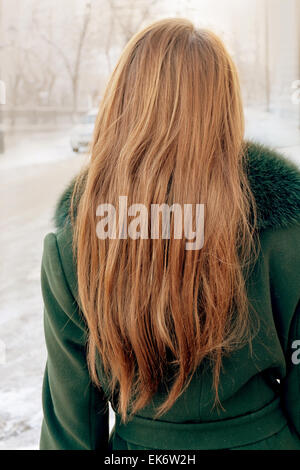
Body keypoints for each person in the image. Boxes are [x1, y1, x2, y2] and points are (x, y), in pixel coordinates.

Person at [39, 18, 300, 450]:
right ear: (225, 109)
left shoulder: (76, 246)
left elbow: (71, 425)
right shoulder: (285, 232)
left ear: (121, 106)